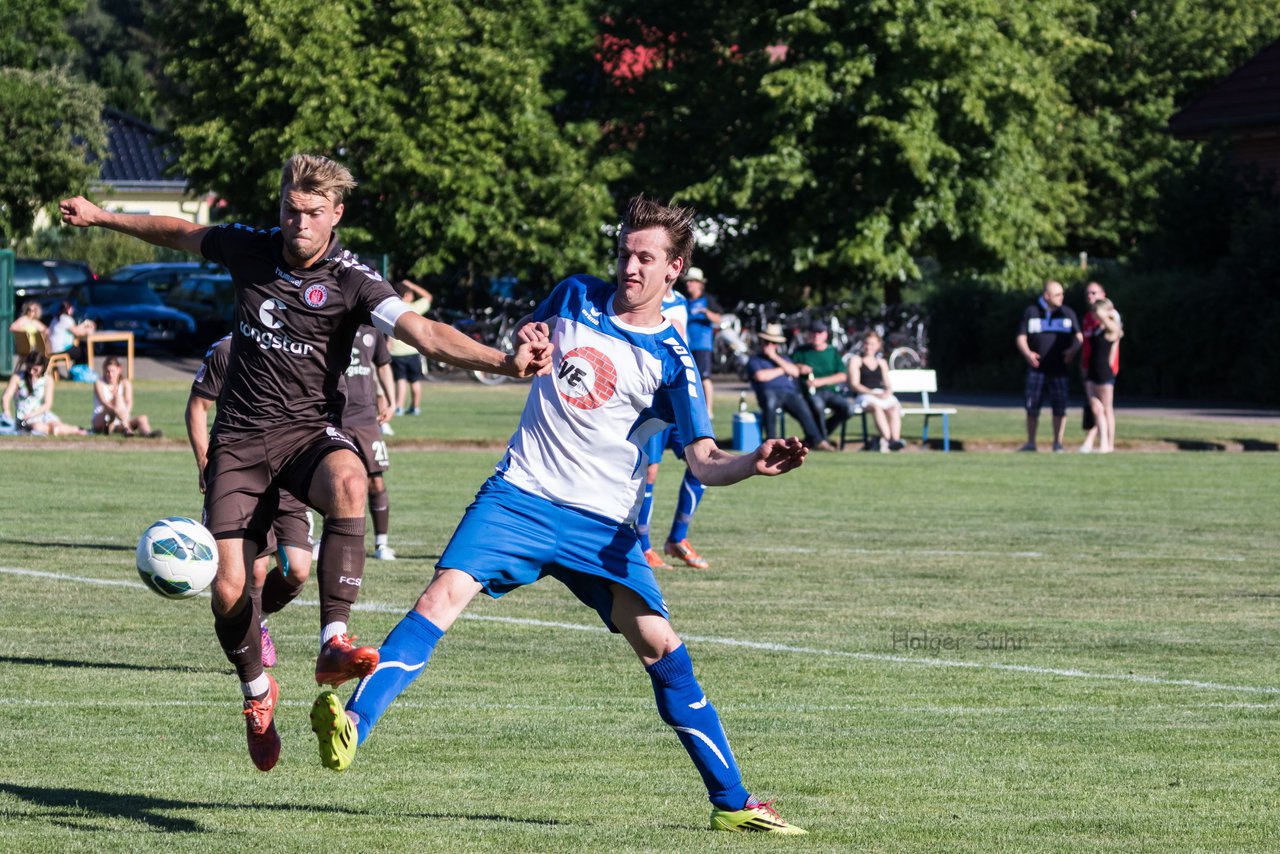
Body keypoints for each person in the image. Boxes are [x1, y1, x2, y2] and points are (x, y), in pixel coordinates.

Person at [309, 195, 808, 835]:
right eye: (625, 251)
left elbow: (704, 459)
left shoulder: (674, 362)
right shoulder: (573, 294)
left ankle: (734, 804)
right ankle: (352, 723)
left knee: (665, 652)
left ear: (673, 268)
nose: (629, 266)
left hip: (602, 528)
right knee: (437, 600)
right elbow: (529, 344)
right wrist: (526, 340)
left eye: (645, 258)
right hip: (520, 494)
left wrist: (752, 460)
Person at [60, 153, 547, 773]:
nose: (299, 222)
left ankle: (331, 643)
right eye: (291, 209)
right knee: (230, 589)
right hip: (237, 441)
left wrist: (505, 363)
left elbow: (423, 334)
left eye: (314, 212)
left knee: (351, 478)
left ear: (336, 215)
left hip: (307, 436)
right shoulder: (249, 248)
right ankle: (257, 693)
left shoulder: (353, 280)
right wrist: (102, 217)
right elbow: (176, 232)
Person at [187, 334, 315, 670]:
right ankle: (252, 643)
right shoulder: (227, 349)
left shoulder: (297, 345)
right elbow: (198, 406)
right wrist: (204, 462)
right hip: (241, 472)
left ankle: (257, 618)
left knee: (297, 571)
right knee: (253, 572)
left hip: (286, 473)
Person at [636, 277, 709, 571]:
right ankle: (642, 548)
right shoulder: (638, 299)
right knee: (649, 472)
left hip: (678, 398)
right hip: (652, 401)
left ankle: (678, 539)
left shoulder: (680, 301)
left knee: (701, 464)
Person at [342, 324, 398, 559]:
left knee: (376, 481)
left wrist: (392, 401)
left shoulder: (372, 330)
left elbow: (383, 365)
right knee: (338, 481)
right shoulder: (331, 321)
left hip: (366, 418)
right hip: (336, 416)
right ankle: (327, 540)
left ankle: (381, 545)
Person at [1015, 280, 1082, 452]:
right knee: (1032, 406)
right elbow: (1021, 337)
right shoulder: (1031, 312)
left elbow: (1079, 337)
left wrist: (1072, 351)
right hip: (1037, 369)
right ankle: (1031, 443)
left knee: (1060, 407)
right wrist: (1028, 353)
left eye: (1062, 294)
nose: (1062, 297)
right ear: (1046, 295)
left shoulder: (1067, 313)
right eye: (1057, 294)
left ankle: (1058, 443)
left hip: (1059, 370)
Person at [746, 323, 835, 451]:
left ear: (776, 345)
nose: (769, 345)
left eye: (772, 343)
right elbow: (760, 376)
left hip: (788, 393)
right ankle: (771, 441)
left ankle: (817, 440)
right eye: (766, 342)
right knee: (769, 402)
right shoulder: (755, 359)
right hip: (768, 392)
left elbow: (795, 372)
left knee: (803, 406)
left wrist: (775, 358)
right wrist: (782, 370)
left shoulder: (783, 358)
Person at [792, 319, 859, 444]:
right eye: (813, 332)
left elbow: (842, 376)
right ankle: (823, 441)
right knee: (817, 405)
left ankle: (819, 437)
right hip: (811, 393)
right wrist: (799, 367)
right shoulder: (801, 351)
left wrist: (820, 381)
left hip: (831, 391)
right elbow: (789, 366)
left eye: (819, 332)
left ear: (825, 335)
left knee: (848, 409)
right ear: (808, 334)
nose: (816, 336)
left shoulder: (832, 351)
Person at [1079, 282, 1123, 453]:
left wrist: (1105, 314)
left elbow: (1116, 331)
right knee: (1095, 407)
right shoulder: (1093, 324)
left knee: (1106, 408)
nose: (1090, 297)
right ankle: (1100, 442)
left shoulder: (1111, 328)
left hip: (1105, 371)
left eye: (1094, 293)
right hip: (1091, 370)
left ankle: (1108, 445)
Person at [2, 351, 86, 436]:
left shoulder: (47, 379)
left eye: (35, 369)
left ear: (42, 367)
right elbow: (6, 396)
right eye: (29, 368)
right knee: (38, 427)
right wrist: (7, 412)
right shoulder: (18, 377)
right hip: (24, 418)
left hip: (40, 413)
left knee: (56, 426)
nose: (31, 372)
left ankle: (82, 430)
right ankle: (77, 431)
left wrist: (32, 414)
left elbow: (47, 404)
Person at [847, 330, 904, 451]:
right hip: (865, 395)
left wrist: (887, 392)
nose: (869, 347)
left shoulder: (881, 362)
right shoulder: (856, 360)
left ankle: (895, 440)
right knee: (876, 407)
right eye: (866, 343)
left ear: (878, 345)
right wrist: (873, 393)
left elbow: (888, 384)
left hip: (880, 394)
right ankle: (887, 439)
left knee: (894, 408)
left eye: (872, 344)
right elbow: (854, 384)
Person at [388, 279, 433, 416]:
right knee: (415, 381)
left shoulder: (392, 309)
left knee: (400, 380)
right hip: (413, 351)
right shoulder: (413, 309)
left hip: (396, 352)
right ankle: (415, 407)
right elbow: (428, 297)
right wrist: (412, 285)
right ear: (407, 294)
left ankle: (399, 407)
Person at [683, 267, 722, 416]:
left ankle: (708, 409)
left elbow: (718, 319)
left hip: (702, 345)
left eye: (692, 281)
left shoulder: (707, 300)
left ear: (700, 283)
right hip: (688, 345)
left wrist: (706, 312)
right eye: (687, 281)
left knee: (704, 377)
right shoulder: (685, 302)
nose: (689, 284)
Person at [92, 356, 160, 437]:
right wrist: (116, 411)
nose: (110, 375)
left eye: (112, 371)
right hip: (103, 419)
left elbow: (129, 402)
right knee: (117, 398)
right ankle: (125, 427)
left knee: (142, 418)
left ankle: (148, 434)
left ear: (119, 369)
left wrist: (124, 415)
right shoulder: (99, 383)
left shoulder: (125, 383)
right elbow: (103, 402)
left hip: (121, 419)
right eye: (107, 371)